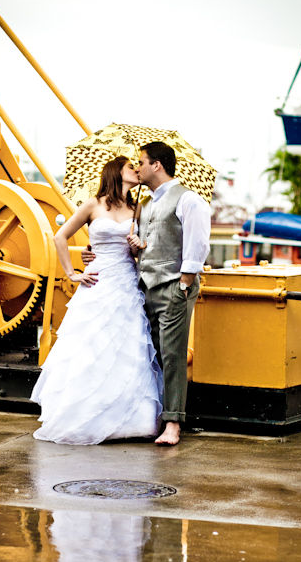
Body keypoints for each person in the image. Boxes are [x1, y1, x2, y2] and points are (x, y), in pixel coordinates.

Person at [30, 156, 162, 445]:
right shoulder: (93, 204)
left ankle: (130, 420)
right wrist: (72, 272)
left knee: (126, 347)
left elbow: (143, 255)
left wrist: (138, 247)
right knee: (91, 346)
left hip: (126, 283)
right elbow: (60, 237)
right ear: (117, 172)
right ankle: (84, 416)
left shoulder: (137, 208)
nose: (137, 171)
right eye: (132, 167)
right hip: (97, 282)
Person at [85, 142, 210, 446]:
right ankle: (155, 415)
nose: (137, 168)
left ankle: (173, 424)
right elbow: (143, 244)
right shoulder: (147, 204)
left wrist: (185, 280)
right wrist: (102, 251)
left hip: (173, 287)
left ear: (156, 165)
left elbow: (199, 242)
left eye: (141, 162)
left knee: (172, 355)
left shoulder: (188, 199)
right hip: (144, 287)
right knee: (151, 354)